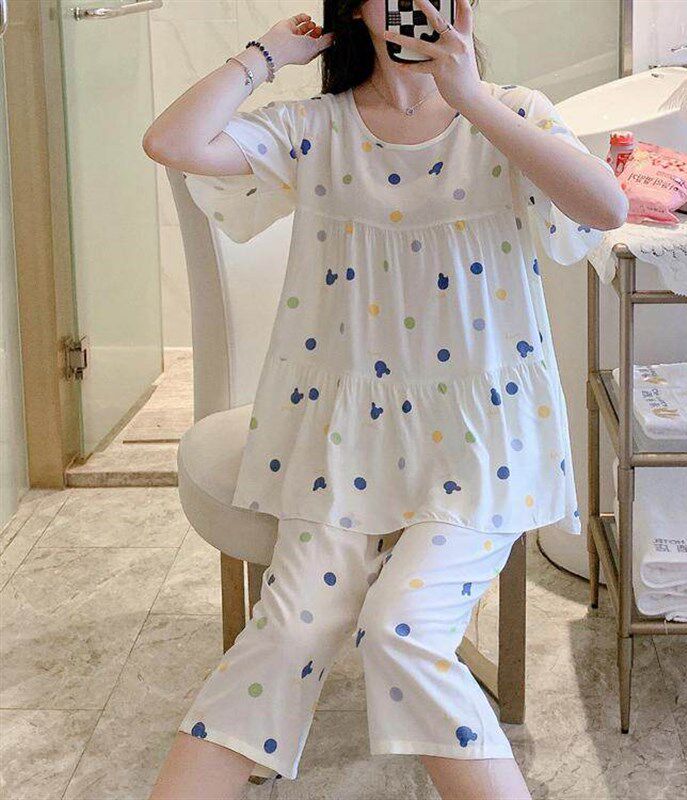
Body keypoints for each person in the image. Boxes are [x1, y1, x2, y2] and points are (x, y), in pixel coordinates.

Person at [143, 1, 627, 798]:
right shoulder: (317, 128)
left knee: (402, 631)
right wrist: (267, 54)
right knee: (288, 629)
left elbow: (605, 208)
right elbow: (171, 142)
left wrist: (469, 97)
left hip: (480, 439)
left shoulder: (509, 114)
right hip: (342, 439)